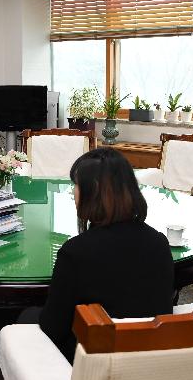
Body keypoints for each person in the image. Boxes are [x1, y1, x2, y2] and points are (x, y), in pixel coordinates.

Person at [28, 147, 174, 363]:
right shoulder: (159, 242)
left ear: (93, 190)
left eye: (76, 185)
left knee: (27, 316)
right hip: (150, 353)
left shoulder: (75, 252)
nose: (73, 192)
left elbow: (53, 328)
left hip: (96, 357)